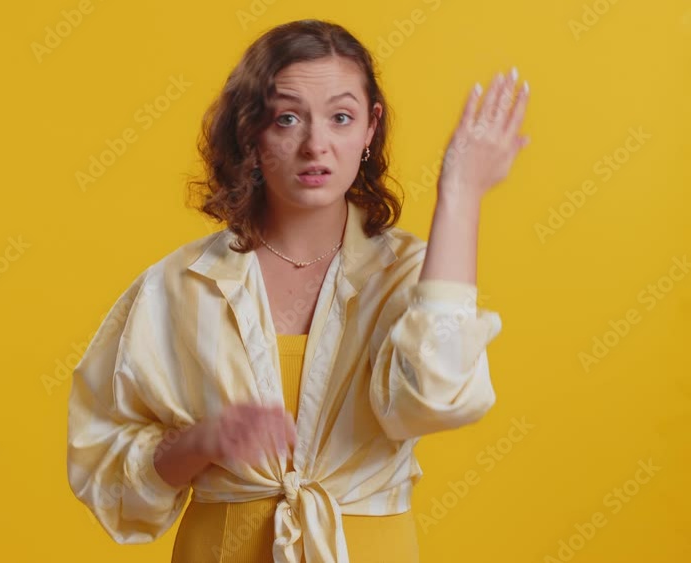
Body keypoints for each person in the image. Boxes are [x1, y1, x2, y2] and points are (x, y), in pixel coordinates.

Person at [67, 18, 529, 563]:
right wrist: (201, 441)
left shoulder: (409, 273)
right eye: (287, 119)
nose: (316, 145)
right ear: (250, 132)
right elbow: (107, 475)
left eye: (341, 118)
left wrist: (460, 195)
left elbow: (434, 400)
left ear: (370, 128)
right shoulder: (176, 286)